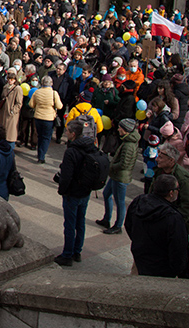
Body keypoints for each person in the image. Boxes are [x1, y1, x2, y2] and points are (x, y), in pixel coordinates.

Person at [124, 173, 189, 279]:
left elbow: (128, 225)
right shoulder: (173, 218)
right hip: (162, 268)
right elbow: (179, 249)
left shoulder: (139, 201)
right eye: (177, 189)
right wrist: (179, 271)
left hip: (141, 259)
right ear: (171, 193)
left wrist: (138, 242)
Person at [53, 116, 98, 266]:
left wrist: (62, 190)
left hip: (73, 192)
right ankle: (77, 251)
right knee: (81, 222)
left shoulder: (72, 151)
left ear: (73, 134)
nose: (66, 133)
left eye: (67, 131)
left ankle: (67, 254)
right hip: (85, 190)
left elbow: (66, 175)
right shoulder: (90, 146)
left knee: (70, 224)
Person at [96, 118, 139, 234]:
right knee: (106, 194)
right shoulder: (127, 141)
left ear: (125, 130)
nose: (118, 129)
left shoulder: (129, 145)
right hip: (116, 175)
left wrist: (110, 166)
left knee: (120, 201)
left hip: (120, 177)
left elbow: (124, 164)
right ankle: (106, 219)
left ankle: (118, 225)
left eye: (120, 128)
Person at [152, 143, 189, 235]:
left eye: (160, 157)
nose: (157, 159)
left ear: (171, 160)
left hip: (177, 223)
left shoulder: (182, 178)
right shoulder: (160, 171)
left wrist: (171, 223)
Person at [29, 74, 63, 163]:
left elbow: (31, 104)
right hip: (49, 118)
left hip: (38, 117)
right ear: (51, 83)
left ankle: (39, 152)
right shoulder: (54, 93)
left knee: (40, 136)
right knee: (46, 137)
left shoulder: (37, 92)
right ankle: (41, 156)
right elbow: (59, 106)